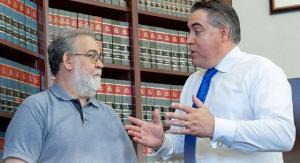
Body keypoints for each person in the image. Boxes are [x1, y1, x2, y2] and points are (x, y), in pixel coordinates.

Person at [125, 1, 295, 163]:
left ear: (223, 33)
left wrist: (216, 127)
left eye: (197, 31)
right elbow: (188, 146)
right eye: (189, 31)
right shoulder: (193, 81)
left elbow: (282, 134)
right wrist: (162, 142)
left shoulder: (261, 70)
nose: (188, 39)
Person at [2, 28, 137, 163]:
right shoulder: (35, 108)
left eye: (99, 58)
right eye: (92, 56)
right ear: (68, 61)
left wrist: (158, 145)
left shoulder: (110, 114)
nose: (100, 65)